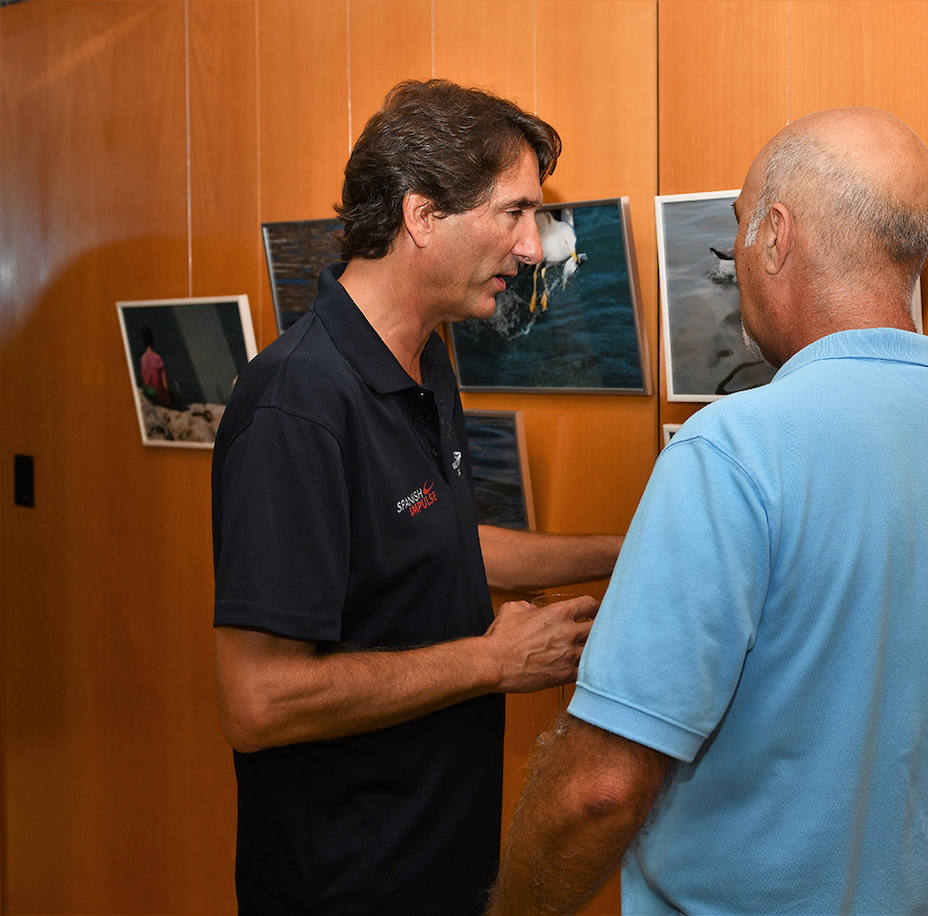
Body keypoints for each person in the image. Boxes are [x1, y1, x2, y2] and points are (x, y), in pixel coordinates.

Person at [488, 107, 928, 915]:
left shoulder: (734, 451)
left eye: (737, 227)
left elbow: (598, 791)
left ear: (775, 235)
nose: (735, 254)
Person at [211, 80, 622, 914]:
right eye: (514, 213)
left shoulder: (426, 360)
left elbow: (442, 541)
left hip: (441, 864)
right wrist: (494, 660)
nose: (534, 247)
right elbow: (258, 701)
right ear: (422, 216)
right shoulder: (297, 404)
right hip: (345, 884)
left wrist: (626, 550)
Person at [138, 325, 171, 406]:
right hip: (159, 397)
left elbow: (143, 378)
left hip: (149, 394)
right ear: (153, 341)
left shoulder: (143, 359)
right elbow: (164, 383)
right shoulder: (157, 358)